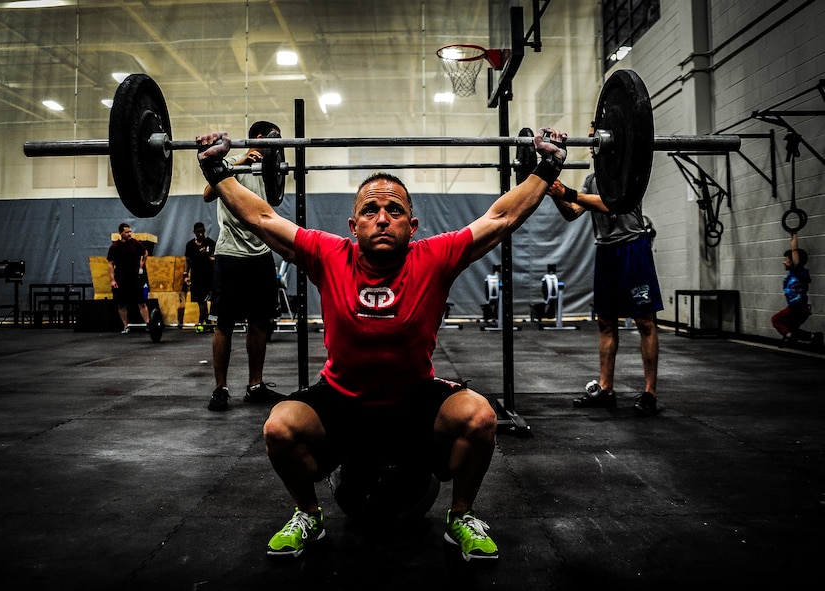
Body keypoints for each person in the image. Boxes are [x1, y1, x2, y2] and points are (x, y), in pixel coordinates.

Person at [195, 125, 570, 561]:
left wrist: (547, 166)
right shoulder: (327, 254)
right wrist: (216, 170)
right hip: (341, 398)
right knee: (279, 427)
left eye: (394, 210)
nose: (382, 217)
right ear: (354, 226)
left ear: (412, 225)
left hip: (414, 399)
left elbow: (501, 218)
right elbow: (262, 218)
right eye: (370, 210)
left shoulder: (435, 257)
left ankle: (461, 515)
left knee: (480, 417)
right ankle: (308, 515)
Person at [547, 154, 663, 416]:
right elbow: (573, 212)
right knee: (605, 322)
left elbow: (611, 205)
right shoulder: (591, 180)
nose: (593, 149)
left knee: (644, 321)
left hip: (633, 247)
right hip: (606, 251)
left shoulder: (628, 177)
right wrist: (556, 194)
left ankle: (650, 393)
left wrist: (568, 191)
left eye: (597, 142)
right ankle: (606, 389)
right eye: (592, 144)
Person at [202, 121, 284, 411]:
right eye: (274, 139)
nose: (277, 144)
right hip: (230, 254)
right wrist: (237, 162)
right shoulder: (230, 164)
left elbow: (276, 198)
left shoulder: (270, 169)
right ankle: (220, 388)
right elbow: (207, 194)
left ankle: (255, 386)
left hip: (261, 253)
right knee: (224, 324)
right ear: (260, 138)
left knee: (260, 323)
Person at [771, 232, 823, 347]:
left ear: (793, 261)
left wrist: (794, 234)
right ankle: (814, 336)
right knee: (791, 328)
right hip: (800, 309)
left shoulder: (799, 272)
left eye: (786, 259)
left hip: (797, 309)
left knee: (776, 319)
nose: (783, 262)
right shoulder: (791, 275)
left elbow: (794, 251)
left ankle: (789, 337)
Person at [107, 223, 150, 333]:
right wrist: (112, 280)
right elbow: (110, 264)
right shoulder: (114, 247)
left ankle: (148, 324)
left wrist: (141, 266)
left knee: (142, 302)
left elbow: (145, 253)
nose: (129, 234)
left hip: (135, 278)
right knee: (121, 304)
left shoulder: (135, 243)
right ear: (121, 233)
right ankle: (126, 326)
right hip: (121, 278)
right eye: (127, 232)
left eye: (130, 231)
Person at [183, 222, 216, 327]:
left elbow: (217, 258)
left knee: (209, 300)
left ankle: (205, 322)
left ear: (204, 231)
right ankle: (205, 322)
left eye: (202, 232)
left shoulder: (210, 243)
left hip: (209, 276)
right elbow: (187, 261)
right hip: (196, 277)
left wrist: (210, 257)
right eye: (198, 232)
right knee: (200, 301)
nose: (201, 234)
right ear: (194, 232)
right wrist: (185, 275)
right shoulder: (190, 245)